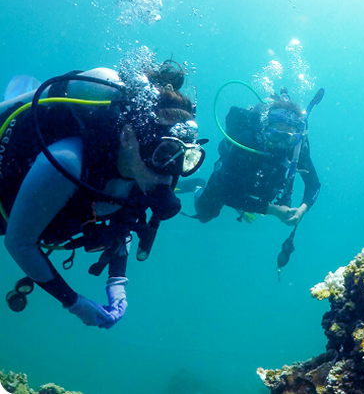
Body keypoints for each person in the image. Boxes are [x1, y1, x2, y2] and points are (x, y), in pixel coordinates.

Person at [0, 58, 205, 328]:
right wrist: (74, 303)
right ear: (127, 137)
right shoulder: (68, 162)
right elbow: (19, 243)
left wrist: (118, 281)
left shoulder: (143, 169)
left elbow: (126, 220)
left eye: (185, 160)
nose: (167, 176)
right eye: (162, 154)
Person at [193, 91, 320, 226]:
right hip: (231, 180)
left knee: (255, 195)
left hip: (260, 187)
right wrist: (273, 210)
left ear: (296, 137)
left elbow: (314, 184)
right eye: (276, 135)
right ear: (265, 130)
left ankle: (244, 203)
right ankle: (197, 185)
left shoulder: (297, 148)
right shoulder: (248, 140)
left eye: (288, 137)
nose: (281, 143)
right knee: (205, 214)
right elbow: (226, 192)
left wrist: (303, 209)